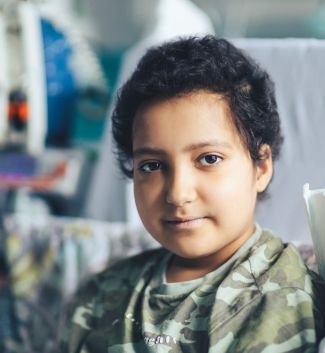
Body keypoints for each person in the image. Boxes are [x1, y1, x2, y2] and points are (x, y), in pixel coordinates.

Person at [61, 35, 325, 352]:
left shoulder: (282, 295)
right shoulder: (100, 293)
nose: (177, 193)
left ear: (261, 166)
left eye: (208, 159)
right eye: (152, 165)